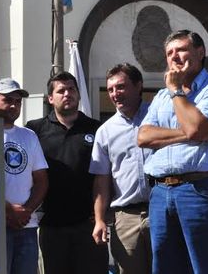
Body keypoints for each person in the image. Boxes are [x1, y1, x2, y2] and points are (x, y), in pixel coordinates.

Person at [137, 30, 208, 274]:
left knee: (207, 267)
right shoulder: (161, 96)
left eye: (181, 49)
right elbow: (143, 137)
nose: (174, 57)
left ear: (200, 52)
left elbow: (194, 127)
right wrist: (193, 135)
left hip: (200, 191)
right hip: (160, 192)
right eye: (169, 53)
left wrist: (176, 91)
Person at [26, 71, 108, 274]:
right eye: (61, 90)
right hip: (51, 226)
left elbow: (105, 175)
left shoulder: (97, 129)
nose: (67, 93)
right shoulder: (34, 130)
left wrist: (103, 215)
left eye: (71, 89)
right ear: (50, 98)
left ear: (79, 94)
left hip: (88, 226)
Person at [90, 63, 152, 274]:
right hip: (125, 219)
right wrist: (99, 220)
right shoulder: (105, 132)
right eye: (110, 89)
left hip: (161, 210)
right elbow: (102, 181)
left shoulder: (158, 117)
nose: (115, 94)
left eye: (121, 87)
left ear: (138, 85)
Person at [0, 78, 48, 274]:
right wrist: (7, 210)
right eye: (7, 100)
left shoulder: (29, 136)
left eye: (18, 101)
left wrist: (26, 210)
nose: (14, 105)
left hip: (26, 226)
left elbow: (41, 181)